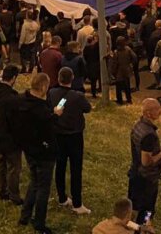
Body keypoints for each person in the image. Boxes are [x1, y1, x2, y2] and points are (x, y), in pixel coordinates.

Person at [13, 72, 63, 233]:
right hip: (44, 153)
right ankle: (39, 222)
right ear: (42, 87)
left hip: (28, 150)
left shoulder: (21, 101)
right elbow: (47, 130)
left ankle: (25, 216)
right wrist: (55, 115)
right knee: (43, 188)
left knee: (34, 182)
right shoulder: (40, 109)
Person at [48, 67, 92, 215]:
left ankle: (62, 197)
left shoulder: (52, 93)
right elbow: (88, 109)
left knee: (60, 167)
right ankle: (77, 203)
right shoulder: (77, 96)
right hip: (74, 136)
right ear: (72, 78)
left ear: (59, 78)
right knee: (75, 169)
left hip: (58, 135)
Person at [0, 65, 23, 205]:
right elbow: (16, 120)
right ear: (13, 78)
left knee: (1, 163)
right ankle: (14, 195)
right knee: (14, 167)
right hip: (9, 138)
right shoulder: (11, 97)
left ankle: (2, 191)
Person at [129, 99, 161, 225]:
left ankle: (131, 227)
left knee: (134, 207)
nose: (160, 112)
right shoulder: (149, 135)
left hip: (135, 174)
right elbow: (146, 162)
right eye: (156, 109)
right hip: (147, 179)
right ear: (148, 113)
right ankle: (145, 226)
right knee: (147, 210)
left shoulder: (137, 125)